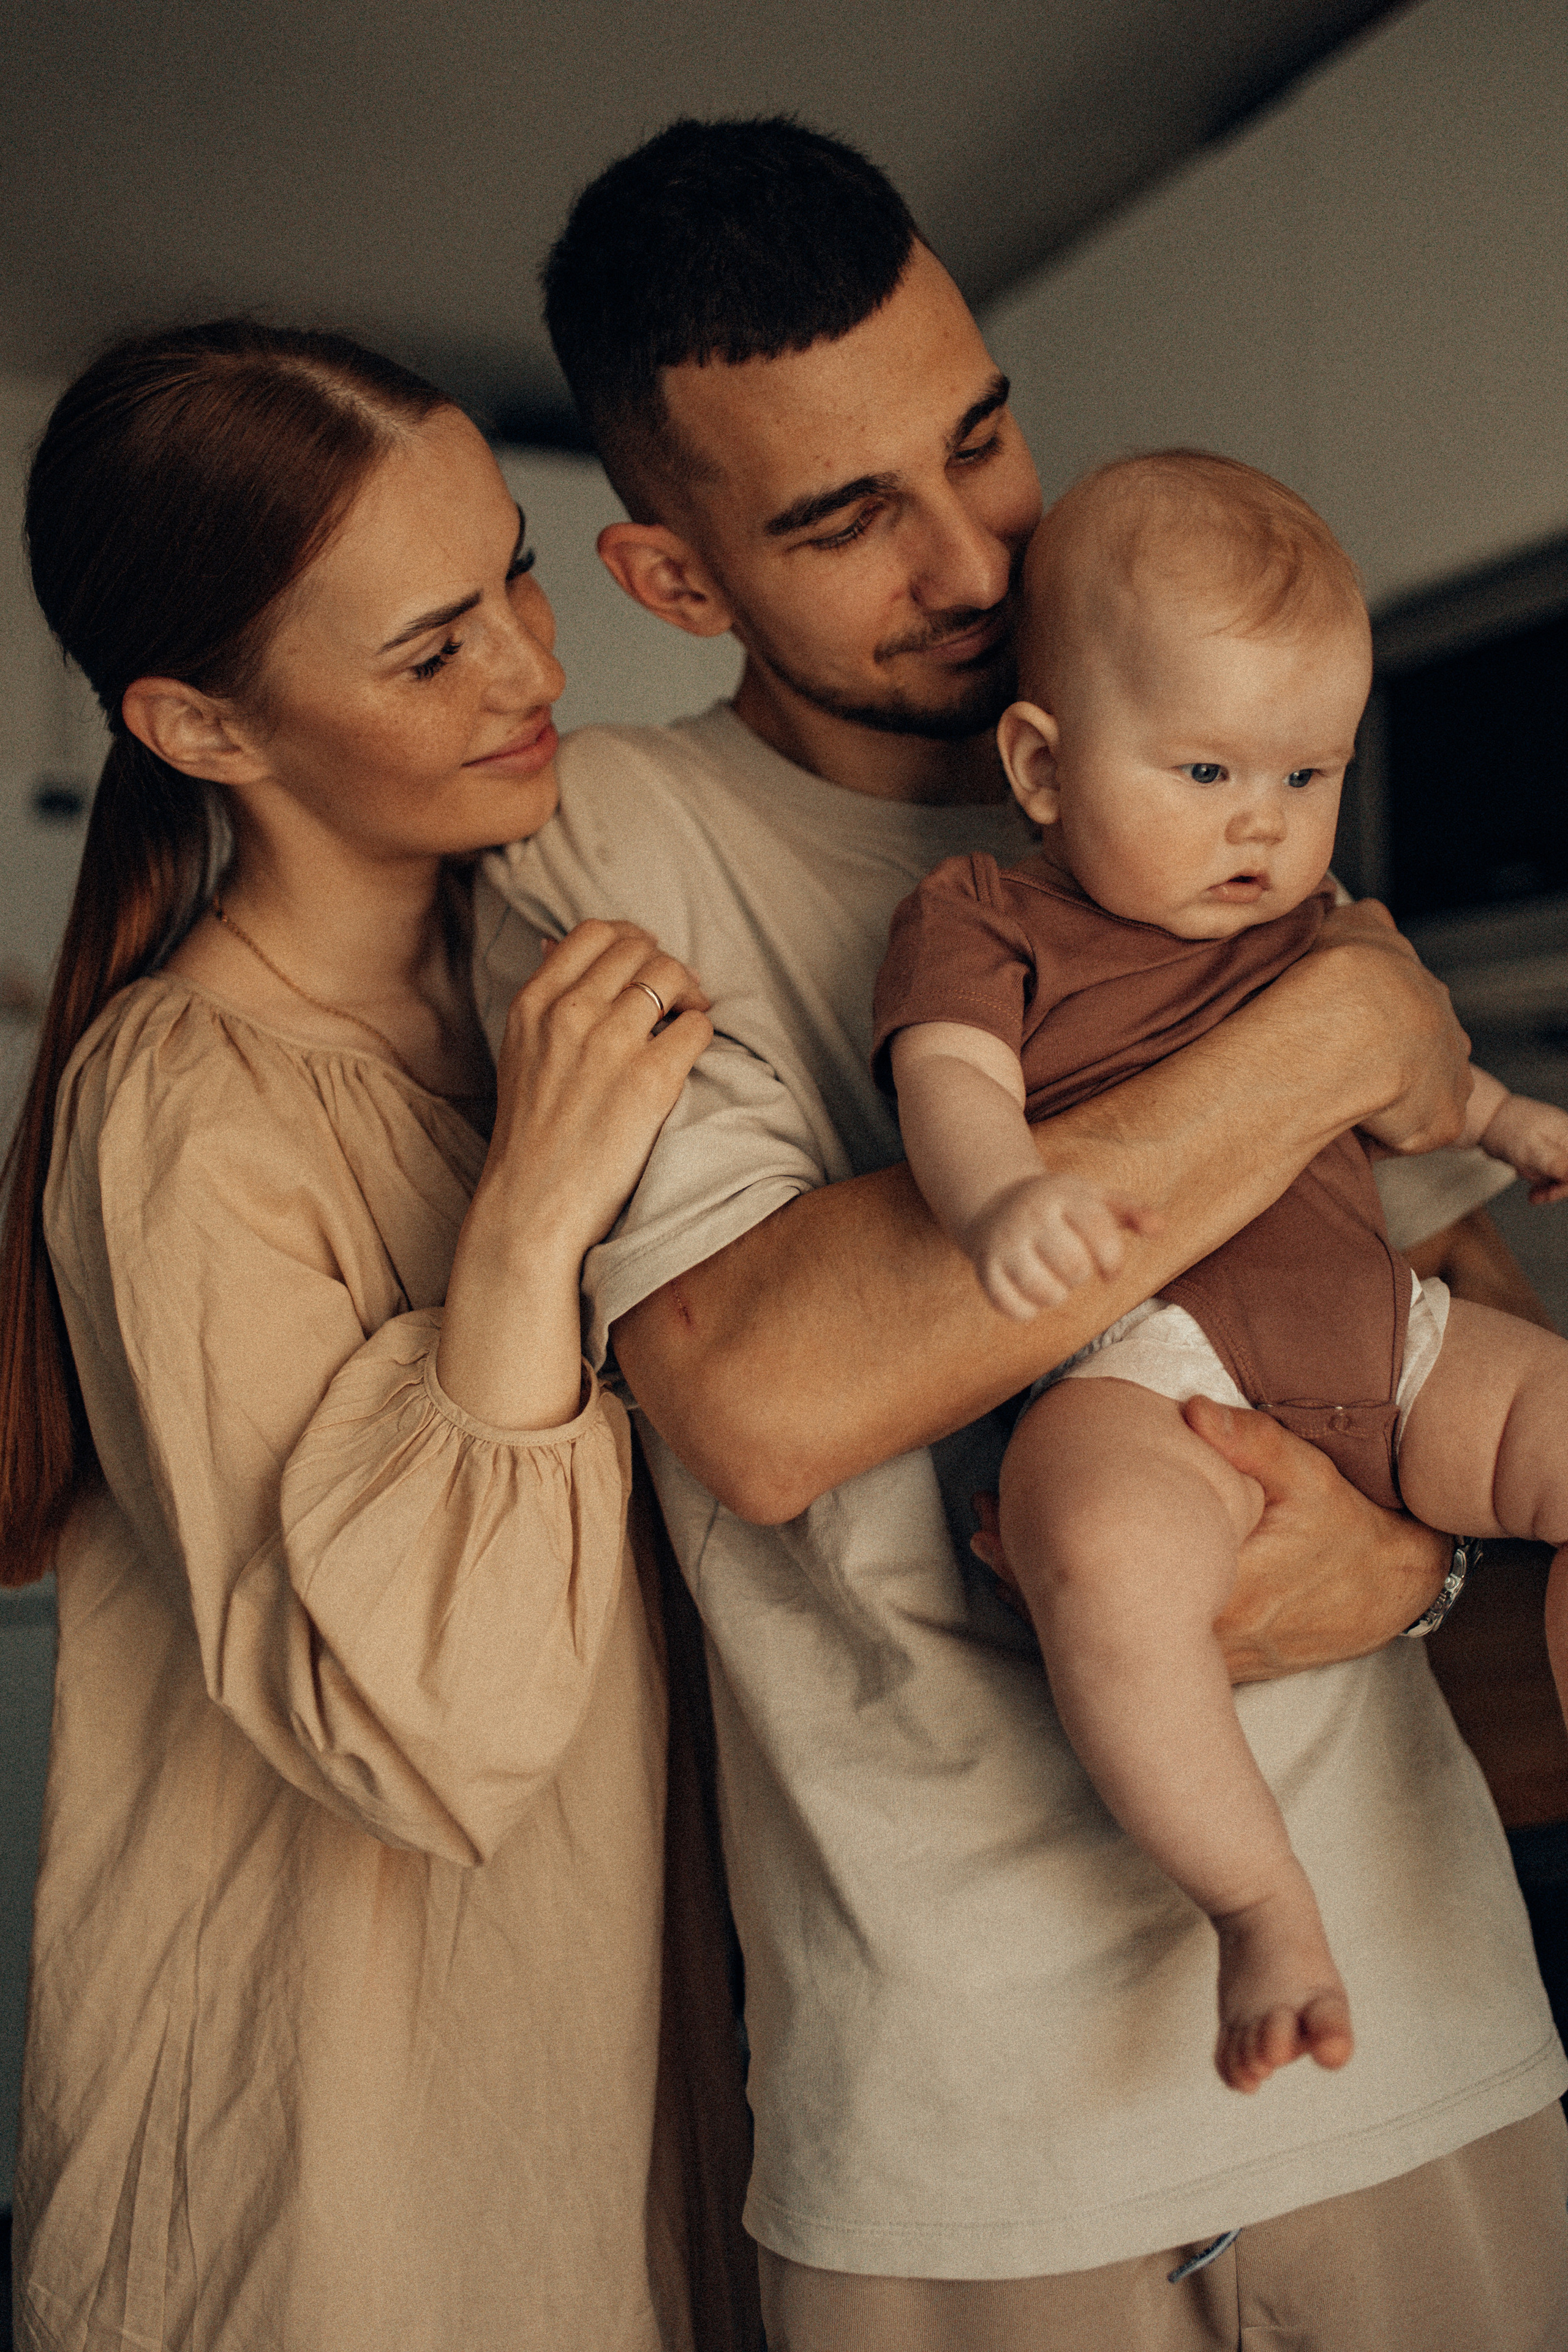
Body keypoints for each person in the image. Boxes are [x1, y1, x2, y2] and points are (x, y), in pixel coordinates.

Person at [472, 118, 1568, 2350]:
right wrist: (1326, 1029)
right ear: (675, 579)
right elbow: (761, 1401)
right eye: (843, 516)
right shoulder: (612, 842)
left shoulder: (1219, 755)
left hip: (1423, 2020)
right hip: (975, 2129)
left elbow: (1446, 1305)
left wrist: (1412, 1568)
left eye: (979, 438)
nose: (976, 553)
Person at [0, 322, 760, 2352]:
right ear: (203, 727)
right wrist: (521, 1231)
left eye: (516, 572)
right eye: (431, 653)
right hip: (345, 2179)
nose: (531, 666)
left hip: (627, 2085)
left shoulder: (549, 968)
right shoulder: (185, 1108)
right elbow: (415, 1724)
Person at [872, 448, 1568, 2098]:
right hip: (1150, 1365)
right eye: (1203, 770)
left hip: (1383, 1339)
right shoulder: (985, 915)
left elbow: (1420, 1090)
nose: (1262, 821)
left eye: (1306, 773)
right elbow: (948, 1078)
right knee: (1103, 1561)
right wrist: (997, 1200)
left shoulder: (1320, 925)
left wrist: (1509, 1120)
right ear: (1043, 766)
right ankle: (1260, 1904)